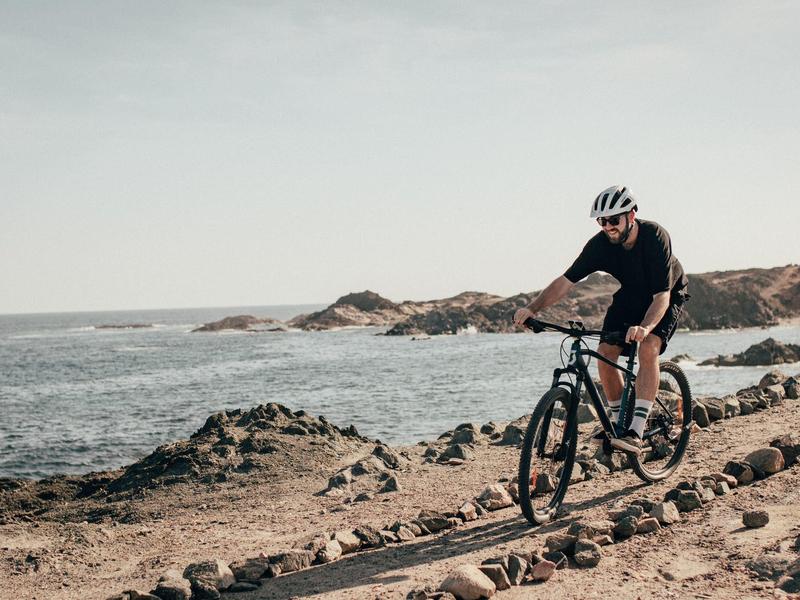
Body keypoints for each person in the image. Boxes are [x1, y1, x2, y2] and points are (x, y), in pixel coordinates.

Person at [513, 185, 689, 456]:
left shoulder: (655, 236)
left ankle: (636, 432)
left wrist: (645, 328)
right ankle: (618, 425)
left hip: (666, 293)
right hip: (632, 294)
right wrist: (532, 308)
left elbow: (661, 297)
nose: (608, 227)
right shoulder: (600, 245)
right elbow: (565, 281)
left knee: (648, 348)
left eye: (614, 220)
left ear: (631, 216)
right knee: (605, 354)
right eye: (602, 221)